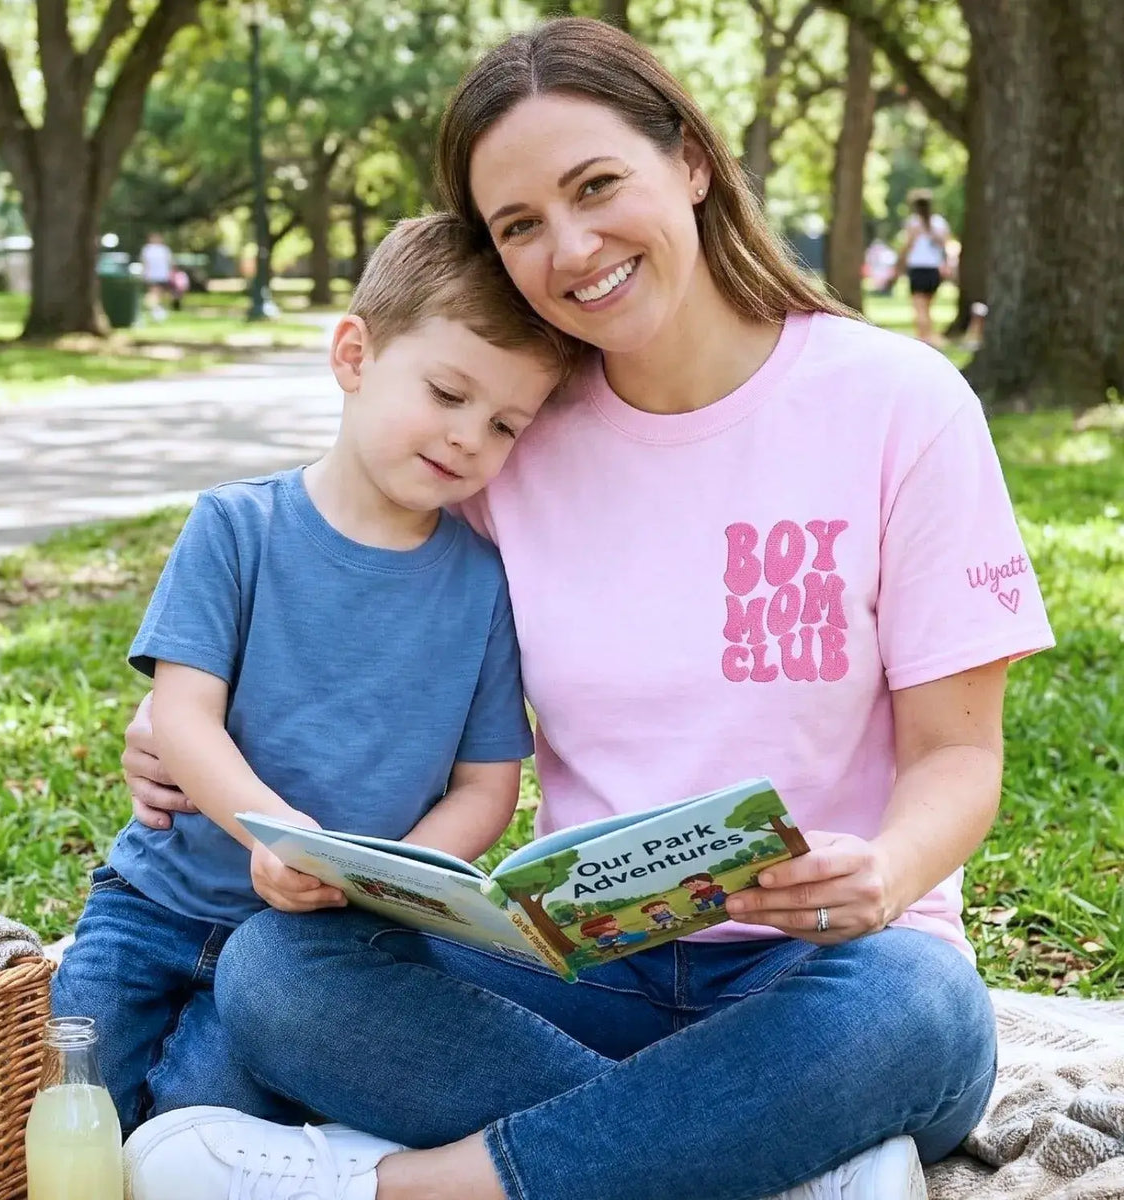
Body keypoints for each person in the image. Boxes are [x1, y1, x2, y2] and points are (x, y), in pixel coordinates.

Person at [119, 17, 1054, 1200]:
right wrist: (172, 728)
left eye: (597, 184)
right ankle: (765, 1153)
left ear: (694, 162)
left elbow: (961, 756)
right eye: (519, 225)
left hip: (833, 971)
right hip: (581, 970)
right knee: (277, 972)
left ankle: (410, 1187)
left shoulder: (899, 402)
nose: (571, 246)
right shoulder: (511, 438)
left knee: (919, 1011)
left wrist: (885, 868)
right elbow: (334, 593)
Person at [51, 212, 573, 1136]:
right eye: (447, 393)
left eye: (502, 424)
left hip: (314, 940)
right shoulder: (236, 529)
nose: (467, 438)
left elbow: (488, 787)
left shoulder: (482, 584)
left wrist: (391, 877)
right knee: (69, 1103)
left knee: (197, 1127)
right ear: (353, 355)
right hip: (156, 906)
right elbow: (182, 717)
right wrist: (279, 833)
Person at [897, 190, 951, 346]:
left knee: (919, 307)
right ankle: (928, 337)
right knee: (926, 307)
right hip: (934, 270)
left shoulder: (913, 223)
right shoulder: (939, 223)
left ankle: (923, 339)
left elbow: (908, 246)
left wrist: (899, 263)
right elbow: (944, 244)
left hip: (918, 269)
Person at [140, 232, 174, 320]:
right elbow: (145, 262)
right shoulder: (147, 249)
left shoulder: (164, 249)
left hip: (163, 275)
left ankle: (157, 309)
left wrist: (170, 273)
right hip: (151, 275)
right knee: (153, 292)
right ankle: (155, 310)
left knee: (160, 293)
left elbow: (169, 262)